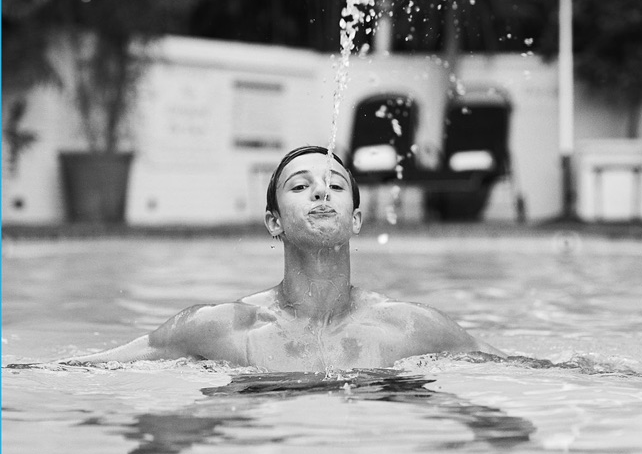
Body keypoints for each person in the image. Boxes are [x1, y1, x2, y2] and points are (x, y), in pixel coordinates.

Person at [61, 145, 504, 371]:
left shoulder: (408, 327)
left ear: (356, 218)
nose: (320, 191)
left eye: (335, 184)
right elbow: (92, 368)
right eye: (299, 186)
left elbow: (521, 370)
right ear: (273, 221)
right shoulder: (223, 328)